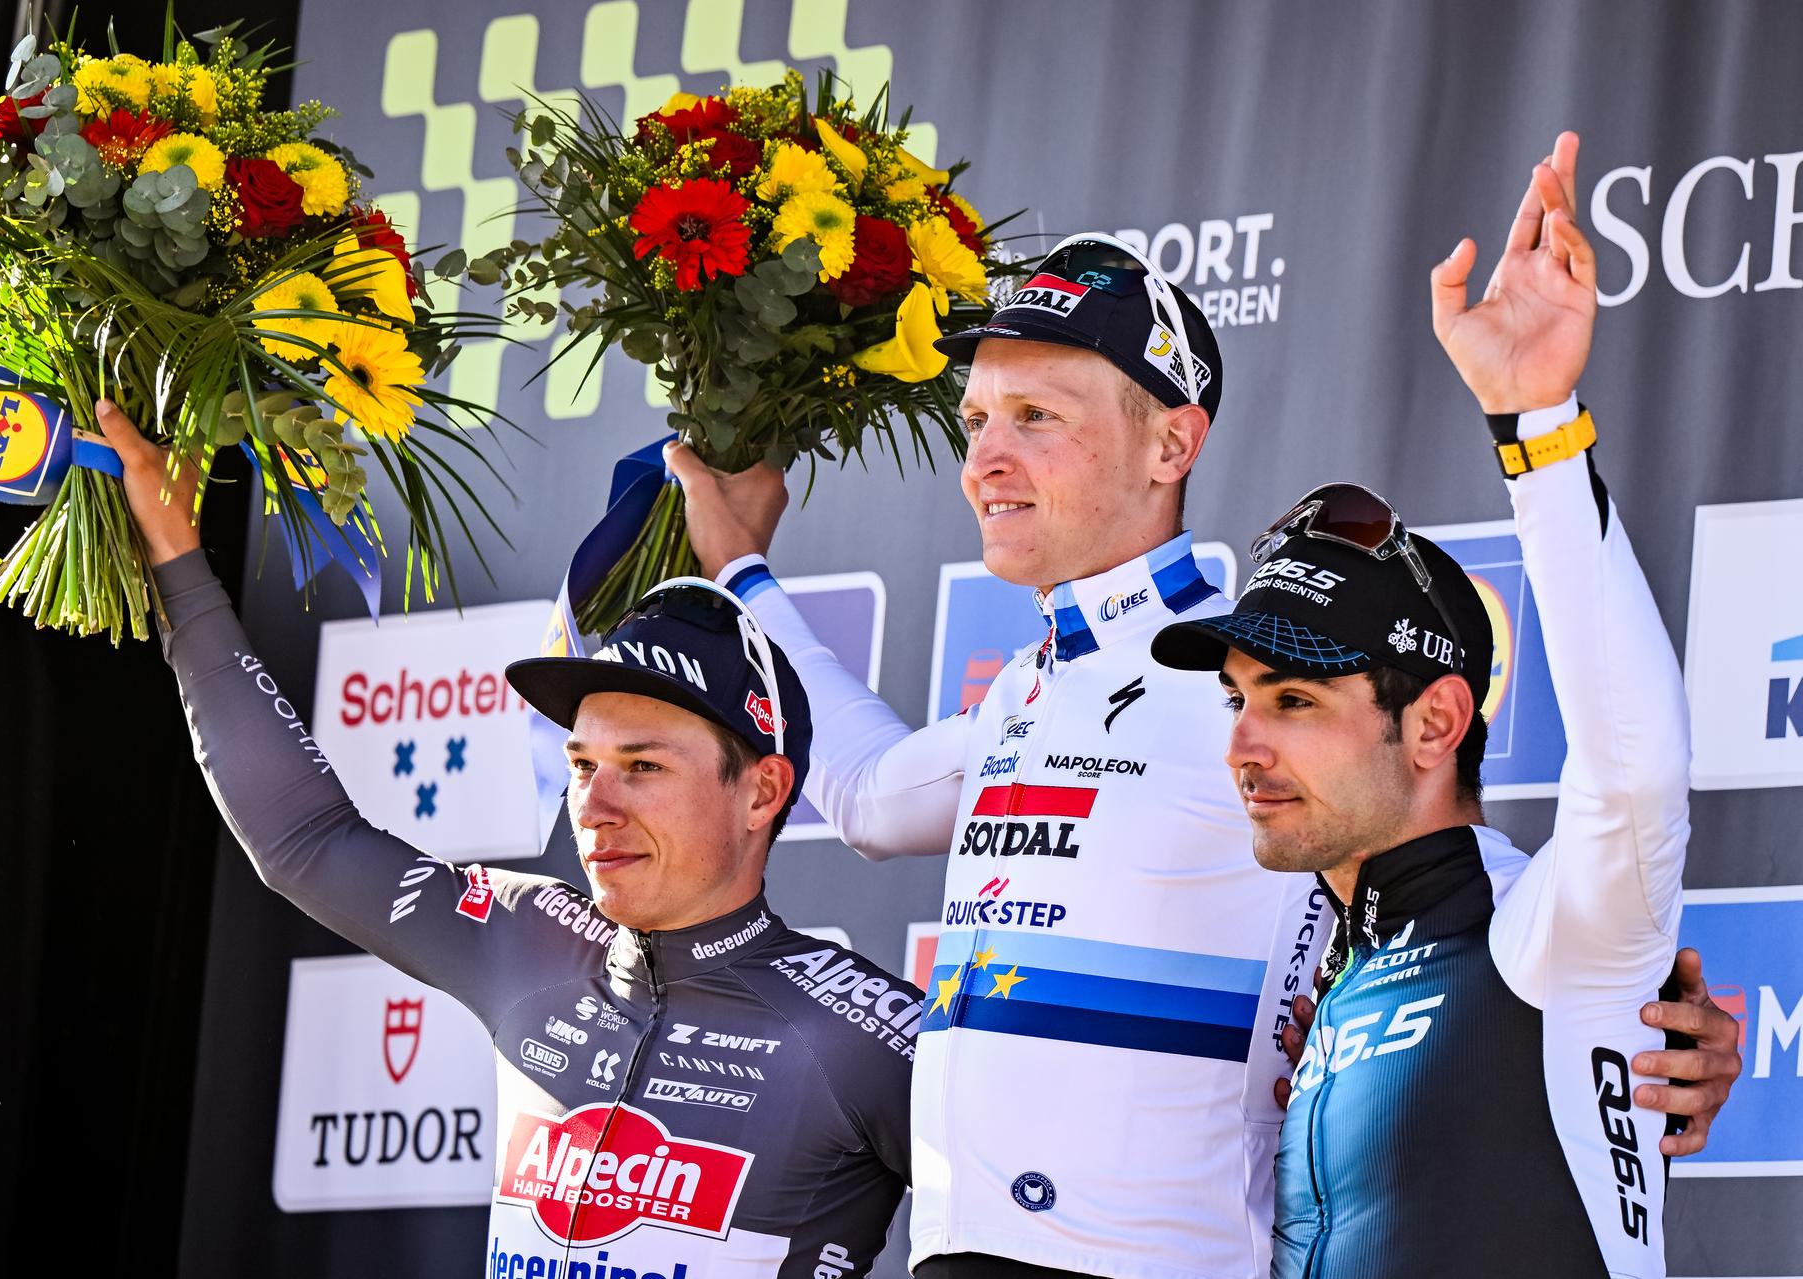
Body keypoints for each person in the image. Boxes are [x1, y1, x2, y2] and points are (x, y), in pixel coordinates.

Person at [667, 130, 1740, 1278]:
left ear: (1173, 441)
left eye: (1038, 417)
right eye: (977, 422)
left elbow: (1478, 873)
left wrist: (1635, 1009)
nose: (985, 459)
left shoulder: (1254, 672)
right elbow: (874, 800)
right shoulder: (1037, 682)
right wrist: (741, 573)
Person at [101, 403, 919, 1279]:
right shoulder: (527, 938)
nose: (595, 805)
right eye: (581, 764)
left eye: (641, 767)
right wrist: (175, 551)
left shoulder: (868, 1038)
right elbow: (302, 834)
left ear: (762, 790)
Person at [1150, 132, 1687, 1277]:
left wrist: (1537, 423)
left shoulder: (1552, 937)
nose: (1245, 741)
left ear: (1437, 721)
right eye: (1241, 697)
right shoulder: (1331, 963)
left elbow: (1634, 771)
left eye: (1294, 698)